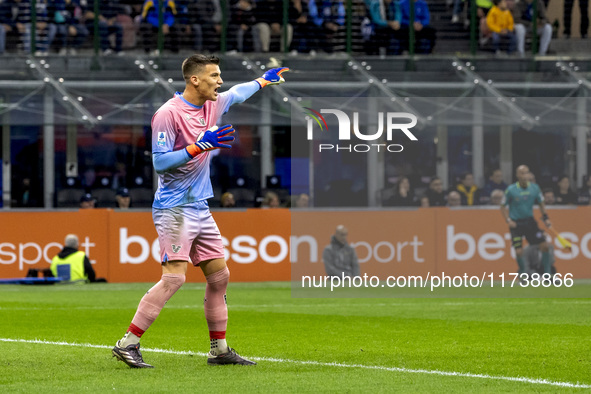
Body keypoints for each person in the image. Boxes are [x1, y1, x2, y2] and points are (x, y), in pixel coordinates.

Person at [111, 54, 289, 368]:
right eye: (214, 76)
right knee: (174, 279)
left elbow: (238, 93)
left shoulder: (213, 104)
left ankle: (219, 350)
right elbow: (159, 162)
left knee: (220, 277)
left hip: (200, 206)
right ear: (195, 79)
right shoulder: (167, 114)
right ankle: (128, 343)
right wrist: (198, 145)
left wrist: (264, 80)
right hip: (175, 208)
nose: (220, 82)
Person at [501, 165, 552, 276]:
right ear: (517, 175)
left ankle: (548, 275)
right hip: (516, 224)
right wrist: (508, 220)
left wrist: (546, 218)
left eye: (526, 173)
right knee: (519, 252)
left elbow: (541, 203)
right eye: (522, 173)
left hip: (530, 222)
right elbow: (502, 206)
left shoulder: (535, 188)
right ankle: (523, 274)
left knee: (545, 246)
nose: (525, 175)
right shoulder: (511, 190)